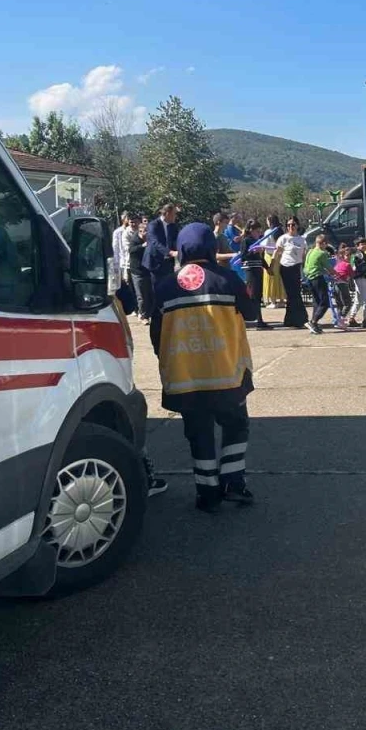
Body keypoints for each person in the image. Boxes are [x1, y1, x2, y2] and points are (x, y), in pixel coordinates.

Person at [149, 222, 258, 512]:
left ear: (182, 249)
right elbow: (250, 314)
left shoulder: (164, 286)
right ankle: (233, 483)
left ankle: (207, 493)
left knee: (198, 433)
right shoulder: (228, 279)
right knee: (235, 425)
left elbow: (156, 334)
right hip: (227, 373)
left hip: (185, 375)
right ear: (212, 247)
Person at [274, 218, 308, 328]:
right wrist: (272, 266)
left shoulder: (302, 240)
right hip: (285, 267)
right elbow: (277, 253)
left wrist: (304, 269)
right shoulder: (283, 238)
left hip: (296, 267)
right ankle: (299, 319)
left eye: (293, 224)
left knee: (295, 294)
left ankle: (291, 320)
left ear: (297, 225)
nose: (290, 227)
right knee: (292, 294)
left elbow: (303, 256)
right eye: (288, 225)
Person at [240, 220, 272, 330]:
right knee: (253, 295)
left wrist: (267, 267)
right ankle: (254, 319)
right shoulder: (246, 241)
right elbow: (243, 256)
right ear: (251, 230)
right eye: (257, 231)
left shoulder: (256, 241)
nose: (259, 233)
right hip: (251, 270)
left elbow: (260, 257)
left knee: (258, 295)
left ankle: (260, 320)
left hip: (258, 269)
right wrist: (253, 251)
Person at [302, 232, 334, 335]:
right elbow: (328, 267)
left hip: (309, 279)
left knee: (316, 302)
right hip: (318, 279)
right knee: (325, 303)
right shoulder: (322, 253)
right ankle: (313, 322)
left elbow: (307, 266)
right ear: (323, 243)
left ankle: (314, 325)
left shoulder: (310, 251)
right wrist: (337, 274)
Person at [143, 203, 180, 282]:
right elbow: (155, 242)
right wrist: (170, 252)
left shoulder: (173, 226)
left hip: (168, 263)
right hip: (155, 261)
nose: (176, 216)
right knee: (157, 288)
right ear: (167, 213)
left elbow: (176, 241)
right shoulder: (153, 225)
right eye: (174, 214)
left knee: (169, 286)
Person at [127, 217, 153, 322]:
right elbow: (131, 250)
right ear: (139, 231)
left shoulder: (150, 239)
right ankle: (142, 315)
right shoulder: (135, 239)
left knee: (149, 293)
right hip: (137, 271)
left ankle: (149, 313)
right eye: (142, 232)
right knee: (141, 295)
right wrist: (142, 246)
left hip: (147, 270)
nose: (144, 234)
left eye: (146, 232)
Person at [260, 213, 286, 308]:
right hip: (279, 256)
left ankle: (273, 301)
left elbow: (264, 244)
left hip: (270, 256)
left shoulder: (269, 232)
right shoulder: (280, 231)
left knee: (270, 277)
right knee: (279, 278)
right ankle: (282, 300)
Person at [350, 238, 366, 327]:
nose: (364, 245)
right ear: (357, 246)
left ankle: (351, 318)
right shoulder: (358, 254)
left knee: (358, 300)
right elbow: (360, 268)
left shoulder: (358, 254)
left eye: (365, 244)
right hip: (361, 278)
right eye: (362, 244)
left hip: (358, 278)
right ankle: (365, 320)